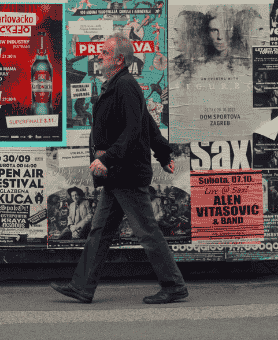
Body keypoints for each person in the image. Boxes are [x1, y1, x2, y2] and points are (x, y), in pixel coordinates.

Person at [51, 33, 188, 305]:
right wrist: (163, 153)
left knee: (147, 231)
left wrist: (107, 158)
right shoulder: (118, 84)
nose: (98, 56)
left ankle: (174, 286)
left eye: (104, 53)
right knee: (100, 231)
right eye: (100, 52)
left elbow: (135, 129)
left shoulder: (125, 85)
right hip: (117, 175)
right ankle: (82, 287)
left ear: (119, 59)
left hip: (126, 172)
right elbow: (148, 122)